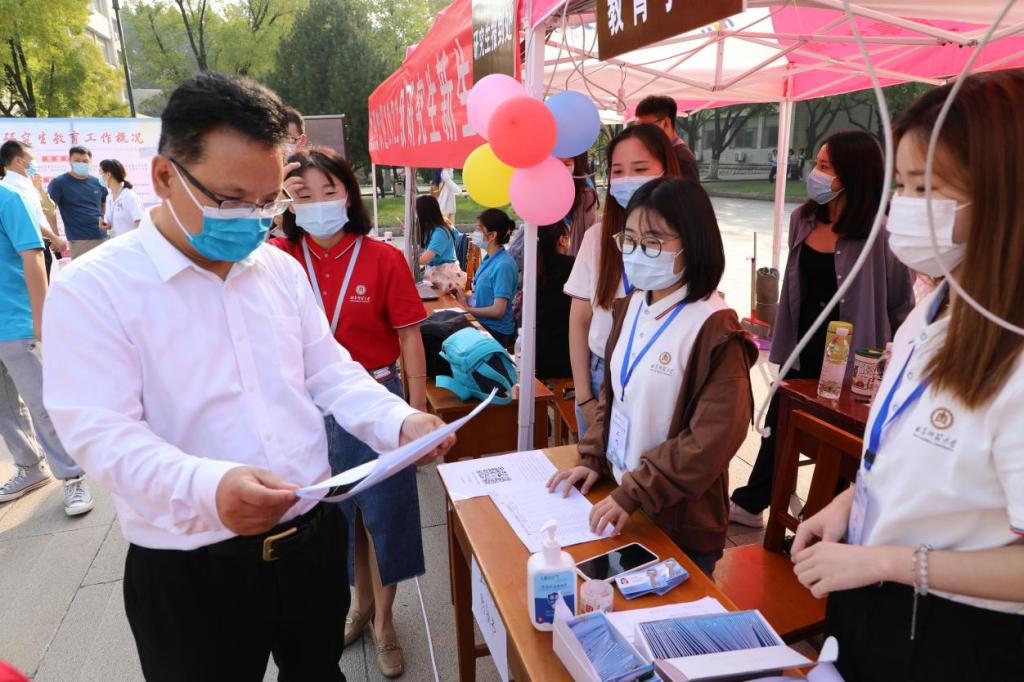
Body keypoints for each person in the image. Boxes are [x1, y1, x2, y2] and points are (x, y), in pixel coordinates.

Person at [40, 72, 454, 682]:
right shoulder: (94, 288)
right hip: (192, 567)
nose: (255, 220)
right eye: (233, 200)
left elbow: (329, 371)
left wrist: (399, 420)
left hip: (310, 541)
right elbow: (101, 434)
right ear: (165, 177)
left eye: (268, 203)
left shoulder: (278, 272)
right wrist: (210, 486)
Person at [792, 69, 1024, 682]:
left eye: (927, 187)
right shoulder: (934, 307)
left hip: (957, 634)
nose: (904, 205)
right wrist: (848, 505)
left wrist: (891, 563)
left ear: (1004, 195)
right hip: (873, 596)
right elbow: (907, 453)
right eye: (902, 184)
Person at [271, 147, 428, 677]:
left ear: (349, 195)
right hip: (307, 410)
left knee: (387, 516)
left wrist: (415, 411)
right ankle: (357, 607)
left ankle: (385, 621)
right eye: (302, 194)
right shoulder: (277, 258)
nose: (317, 203)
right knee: (335, 523)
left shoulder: (382, 257)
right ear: (286, 201)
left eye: (329, 190)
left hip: (379, 398)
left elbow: (410, 336)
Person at [548, 177, 757, 576]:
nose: (637, 252)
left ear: (692, 243)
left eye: (653, 241)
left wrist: (635, 491)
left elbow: (710, 441)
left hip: (677, 520)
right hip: (623, 496)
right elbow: (616, 394)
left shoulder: (715, 329)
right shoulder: (632, 304)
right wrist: (594, 456)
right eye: (628, 239)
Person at [730, 131, 914, 528]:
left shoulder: (882, 234)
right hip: (803, 346)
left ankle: (820, 520)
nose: (815, 173)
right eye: (817, 163)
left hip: (854, 358)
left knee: (837, 442)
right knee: (779, 424)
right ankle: (752, 503)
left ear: (853, 174)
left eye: (825, 166)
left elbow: (901, 303)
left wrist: (894, 361)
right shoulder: (803, 219)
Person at [564, 123, 683, 436]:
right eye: (618, 171)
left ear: (667, 171)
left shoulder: (685, 242)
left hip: (659, 379)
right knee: (593, 463)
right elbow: (579, 322)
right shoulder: (597, 239)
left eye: (640, 169)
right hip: (599, 374)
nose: (628, 179)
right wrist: (584, 396)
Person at [0, 181, 93, 515]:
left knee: (42, 403)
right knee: (4, 407)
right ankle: (29, 466)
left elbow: (33, 255)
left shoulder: (8, 199)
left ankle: (72, 475)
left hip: (15, 319)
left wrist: (41, 318)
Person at [450, 209, 518, 348]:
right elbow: (481, 296)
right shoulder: (489, 258)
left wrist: (467, 309)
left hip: (496, 331)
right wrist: (461, 294)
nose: (475, 233)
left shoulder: (503, 265)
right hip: (482, 322)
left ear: (492, 235)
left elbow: (498, 310)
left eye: (479, 229)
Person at [0, 140, 67, 271]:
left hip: (33, 245)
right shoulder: (16, 187)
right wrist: (54, 238)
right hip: (31, 248)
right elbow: (28, 220)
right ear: (18, 161)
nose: (34, 163)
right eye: (31, 159)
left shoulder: (23, 183)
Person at [47, 146, 109, 258]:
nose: (81, 163)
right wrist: (55, 236)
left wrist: (103, 222)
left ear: (90, 162)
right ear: (70, 161)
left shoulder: (98, 182)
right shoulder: (59, 183)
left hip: (103, 237)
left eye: (85, 161)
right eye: (77, 161)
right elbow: (49, 211)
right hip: (79, 240)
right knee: (84, 269)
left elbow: (104, 205)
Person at [534, 222, 575, 379]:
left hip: (537, 347)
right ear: (562, 240)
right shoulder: (571, 265)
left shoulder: (534, 264)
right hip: (565, 348)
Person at [634, 95, 700, 183]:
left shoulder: (682, 159)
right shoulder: (664, 151)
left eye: (645, 127)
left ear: (666, 123)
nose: (640, 133)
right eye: (638, 127)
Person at [560, 154, 600, 256]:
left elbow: (589, 233)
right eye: (558, 164)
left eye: (567, 164)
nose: (562, 168)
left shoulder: (586, 193)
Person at [99, 159, 144, 237]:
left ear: (108, 174)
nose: (100, 177)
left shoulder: (129, 196)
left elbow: (140, 224)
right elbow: (110, 224)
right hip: (115, 241)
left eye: (101, 173)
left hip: (130, 242)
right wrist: (105, 225)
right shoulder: (109, 197)